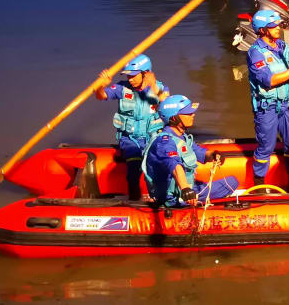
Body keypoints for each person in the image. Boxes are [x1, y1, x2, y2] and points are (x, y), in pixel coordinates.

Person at [246, 9, 289, 190]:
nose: (278, 28)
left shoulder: (282, 46)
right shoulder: (256, 53)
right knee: (266, 147)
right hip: (267, 108)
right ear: (262, 30)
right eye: (272, 26)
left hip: (285, 104)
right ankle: (259, 185)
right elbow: (268, 80)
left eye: (278, 24)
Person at [141, 94, 239, 208]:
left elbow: (198, 151)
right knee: (231, 184)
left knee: (232, 181)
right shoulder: (164, 142)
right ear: (174, 118)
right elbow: (174, 165)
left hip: (187, 188)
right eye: (188, 113)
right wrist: (185, 189)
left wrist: (213, 155)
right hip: (175, 196)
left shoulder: (182, 137)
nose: (193, 115)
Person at [95, 54, 169, 199]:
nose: (131, 79)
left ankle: (162, 198)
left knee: (158, 167)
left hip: (153, 137)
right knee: (133, 171)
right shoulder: (122, 88)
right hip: (130, 139)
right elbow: (101, 95)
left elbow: (168, 107)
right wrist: (101, 85)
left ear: (145, 74)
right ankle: (134, 201)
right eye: (128, 76)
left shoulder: (160, 88)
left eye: (134, 76)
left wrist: (153, 86)